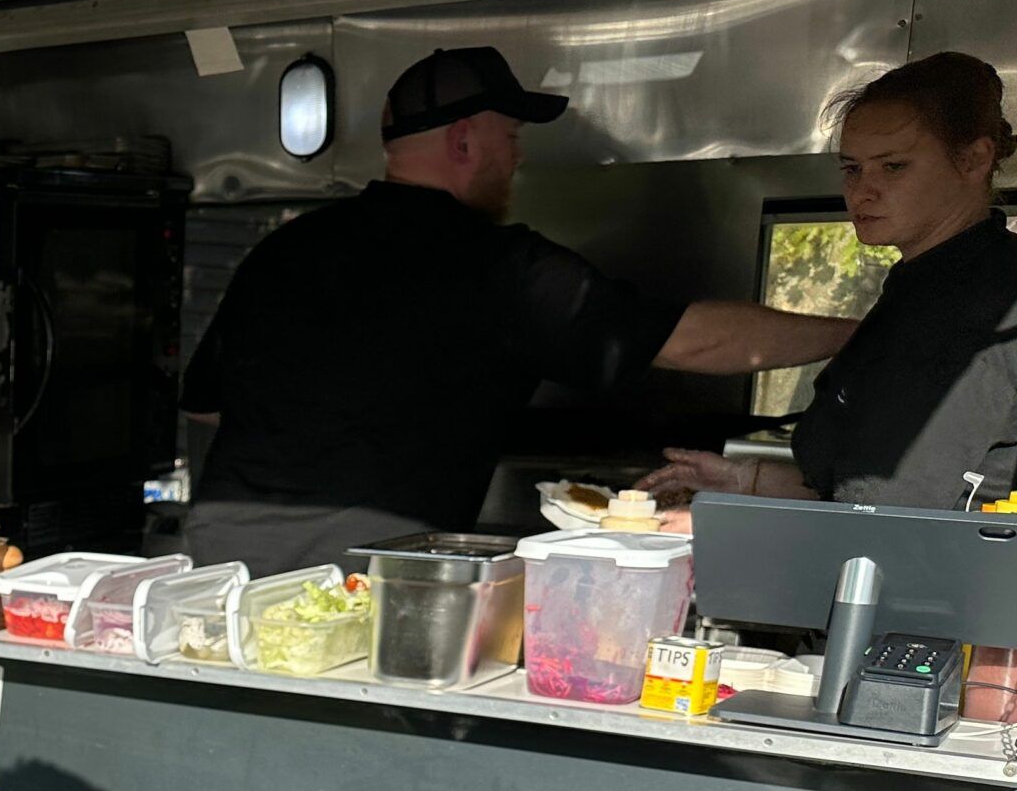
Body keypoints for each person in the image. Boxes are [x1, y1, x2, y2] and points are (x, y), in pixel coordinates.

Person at [180, 45, 857, 573]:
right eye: (511, 139)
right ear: (465, 141)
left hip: (218, 563)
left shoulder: (288, 247)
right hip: (363, 577)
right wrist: (863, 330)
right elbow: (694, 342)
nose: (516, 159)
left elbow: (206, 403)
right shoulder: (497, 265)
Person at [641, 51, 1017, 512]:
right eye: (851, 168)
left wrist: (704, 532)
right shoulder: (920, 286)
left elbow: (884, 520)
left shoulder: (973, 302)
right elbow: (856, 489)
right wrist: (745, 479)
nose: (862, 191)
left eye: (893, 166)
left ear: (973, 160)